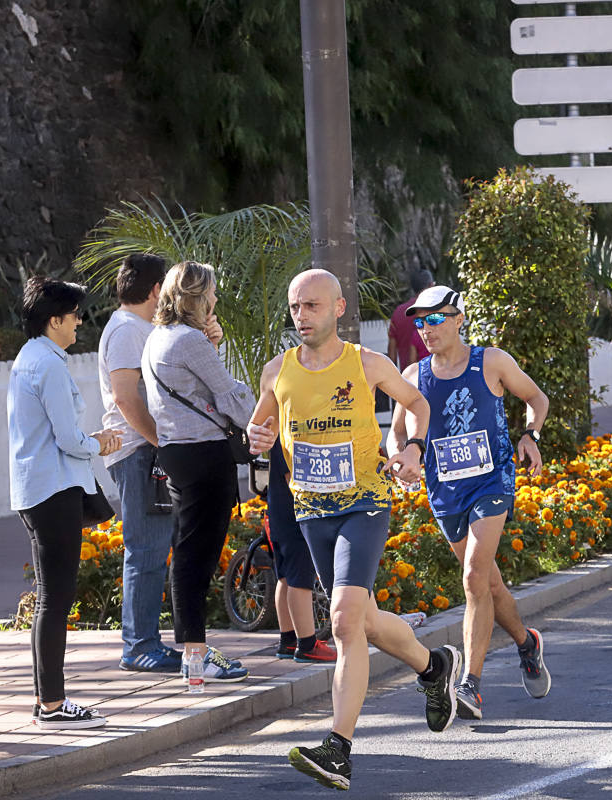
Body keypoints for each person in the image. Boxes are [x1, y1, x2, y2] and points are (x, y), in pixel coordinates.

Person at [248, 269, 461, 792]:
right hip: (311, 512)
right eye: (296, 307)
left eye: (313, 306)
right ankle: (433, 667)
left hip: (364, 503)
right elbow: (261, 428)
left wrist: (411, 450)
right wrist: (257, 438)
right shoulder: (277, 371)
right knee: (361, 620)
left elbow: (417, 405)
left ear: (339, 308)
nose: (302, 316)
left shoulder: (367, 365)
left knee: (342, 620)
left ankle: (338, 749)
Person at [388, 285, 551, 722]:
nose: (426, 329)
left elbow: (537, 399)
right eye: (419, 322)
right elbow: (397, 432)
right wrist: (401, 457)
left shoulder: (491, 362)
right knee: (489, 586)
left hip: (492, 481)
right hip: (445, 491)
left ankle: (471, 685)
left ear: (459, 318)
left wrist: (530, 435)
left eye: (436, 319)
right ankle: (526, 643)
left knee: (473, 575)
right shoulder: (412, 376)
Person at [10, 277, 123, 731]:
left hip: (38, 489)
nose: (79, 321)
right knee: (55, 600)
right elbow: (67, 438)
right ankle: (53, 706)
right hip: (53, 490)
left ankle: (48, 702)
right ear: (54, 320)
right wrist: (99, 441)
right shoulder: (49, 365)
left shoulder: (30, 358)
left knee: (49, 600)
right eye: (74, 314)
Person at [143, 261, 254, 685]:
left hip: (176, 452)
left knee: (189, 550)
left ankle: (194, 651)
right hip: (204, 454)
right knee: (197, 554)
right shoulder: (189, 341)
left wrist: (212, 344)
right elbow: (228, 395)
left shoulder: (160, 337)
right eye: (210, 293)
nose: (215, 299)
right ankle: (195, 654)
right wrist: (266, 421)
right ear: (196, 297)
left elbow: (197, 390)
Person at [97, 254, 182, 674]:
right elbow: (126, 399)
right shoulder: (128, 331)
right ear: (155, 291)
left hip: (146, 450)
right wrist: (160, 442)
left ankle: (147, 641)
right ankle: (139, 645)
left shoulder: (140, 328)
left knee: (154, 548)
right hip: (138, 452)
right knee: (146, 550)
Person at [267, 439, 336, 663]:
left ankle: (288, 641)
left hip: (279, 510)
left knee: (286, 576)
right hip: (296, 513)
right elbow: (293, 479)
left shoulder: (277, 432)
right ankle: (306, 644)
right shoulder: (288, 433)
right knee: (300, 577)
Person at [388, 269, 434, 370]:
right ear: (431, 286)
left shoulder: (399, 312)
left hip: (407, 377)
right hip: (435, 375)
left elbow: (392, 356)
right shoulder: (435, 311)